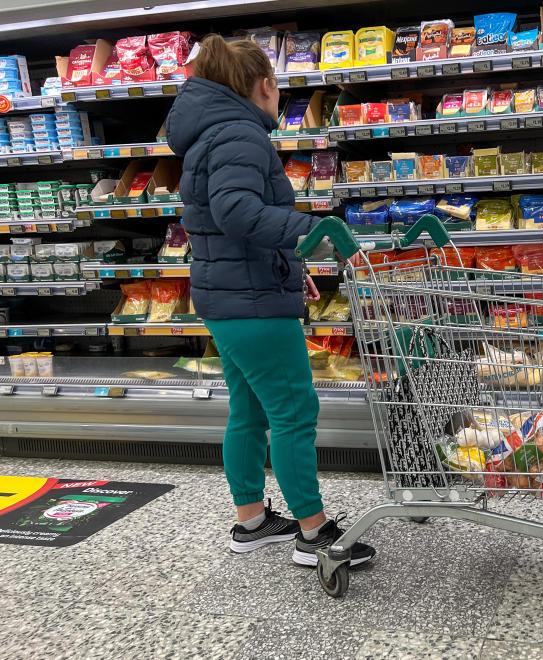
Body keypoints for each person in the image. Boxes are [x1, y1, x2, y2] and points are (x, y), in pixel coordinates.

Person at [165, 34, 374, 567]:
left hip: (229, 296)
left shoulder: (210, 132)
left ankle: (251, 520)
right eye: (278, 85)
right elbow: (236, 210)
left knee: (251, 411)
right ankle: (313, 531)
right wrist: (313, 231)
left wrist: (291, 263)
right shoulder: (239, 131)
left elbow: (228, 223)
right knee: (294, 411)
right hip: (252, 303)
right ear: (264, 85)